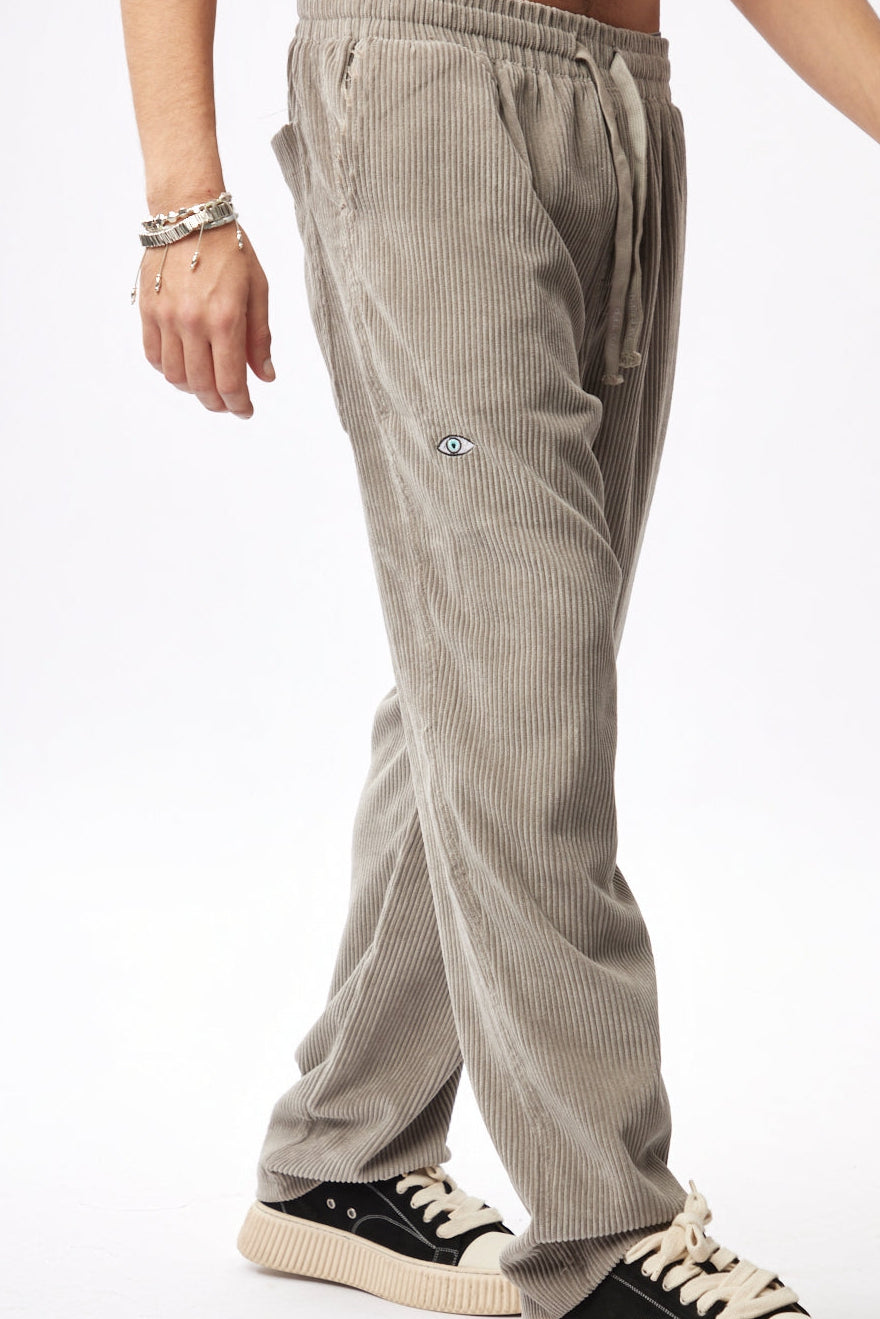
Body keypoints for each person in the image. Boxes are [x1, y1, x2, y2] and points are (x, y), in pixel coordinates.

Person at [120, 0, 880, 1315]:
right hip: (428, 90)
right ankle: (606, 1232)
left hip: (622, 108)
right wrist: (185, 205)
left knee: (500, 665)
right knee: (525, 674)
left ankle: (343, 1151)